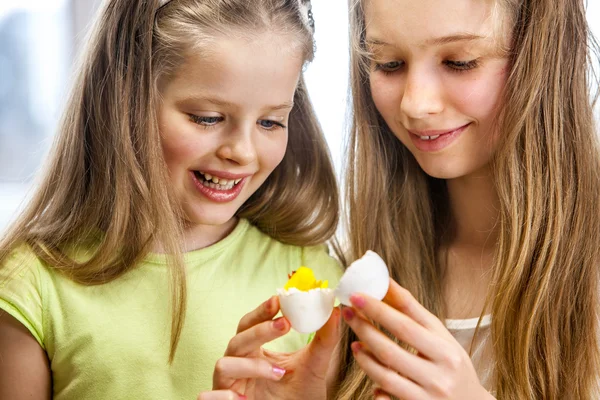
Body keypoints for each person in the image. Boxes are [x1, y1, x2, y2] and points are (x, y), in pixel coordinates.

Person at [204, 0, 600, 398]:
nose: (415, 104)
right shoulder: (350, 266)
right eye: (388, 64)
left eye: (459, 62)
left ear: (546, 55)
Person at [0, 0, 343, 399]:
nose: (244, 152)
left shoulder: (311, 280)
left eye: (270, 122)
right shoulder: (31, 288)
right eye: (208, 118)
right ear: (125, 104)